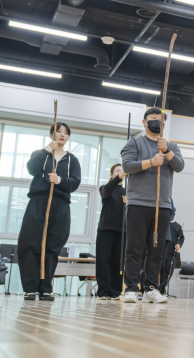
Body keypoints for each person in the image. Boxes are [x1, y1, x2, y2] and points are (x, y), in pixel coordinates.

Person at [121, 108, 185, 304]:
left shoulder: (171, 145)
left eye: (160, 120)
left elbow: (180, 166)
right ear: (144, 122)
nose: (157, 122)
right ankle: (131, 288)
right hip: (138, 203)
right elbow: (127, 166)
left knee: (156, 250)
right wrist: (150, 162)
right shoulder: (134, 142)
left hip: (162, 205)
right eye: (153, 119)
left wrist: (166, 152)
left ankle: (151, 288)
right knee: (135, 248)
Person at [17, 122, 81, 301]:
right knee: (31, 245)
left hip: (60, 206)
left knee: (52, 247)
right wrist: (47, 150)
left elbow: (75, 183)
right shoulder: (41, 154)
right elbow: (31, 169)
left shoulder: (72, 159)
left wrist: (60, 180)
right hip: (38, 203)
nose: (62, 135)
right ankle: (30, 288)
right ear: (51, 134)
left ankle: (45, 288)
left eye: (66, 133)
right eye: (58, 131)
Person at [96, 163, 126, 300]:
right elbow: (106, 192)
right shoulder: (105, 188)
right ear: (111, 174)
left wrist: (128, 203)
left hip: (121, 231)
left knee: (117, 262)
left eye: (122, 171)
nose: (120, 173)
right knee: (103, 261)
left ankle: (115, 292)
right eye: (117, 171)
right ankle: (103, 291)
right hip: (105, 229)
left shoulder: (127, 192)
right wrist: (117, 179)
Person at [159, 199, 184, 295]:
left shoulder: (178, 226)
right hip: (163, 252)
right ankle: (159, 289)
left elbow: (182, 238)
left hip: (172, 254)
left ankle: (162, 289)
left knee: (169, 272)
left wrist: (179, 244)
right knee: (161, 271)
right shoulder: (164, 225)